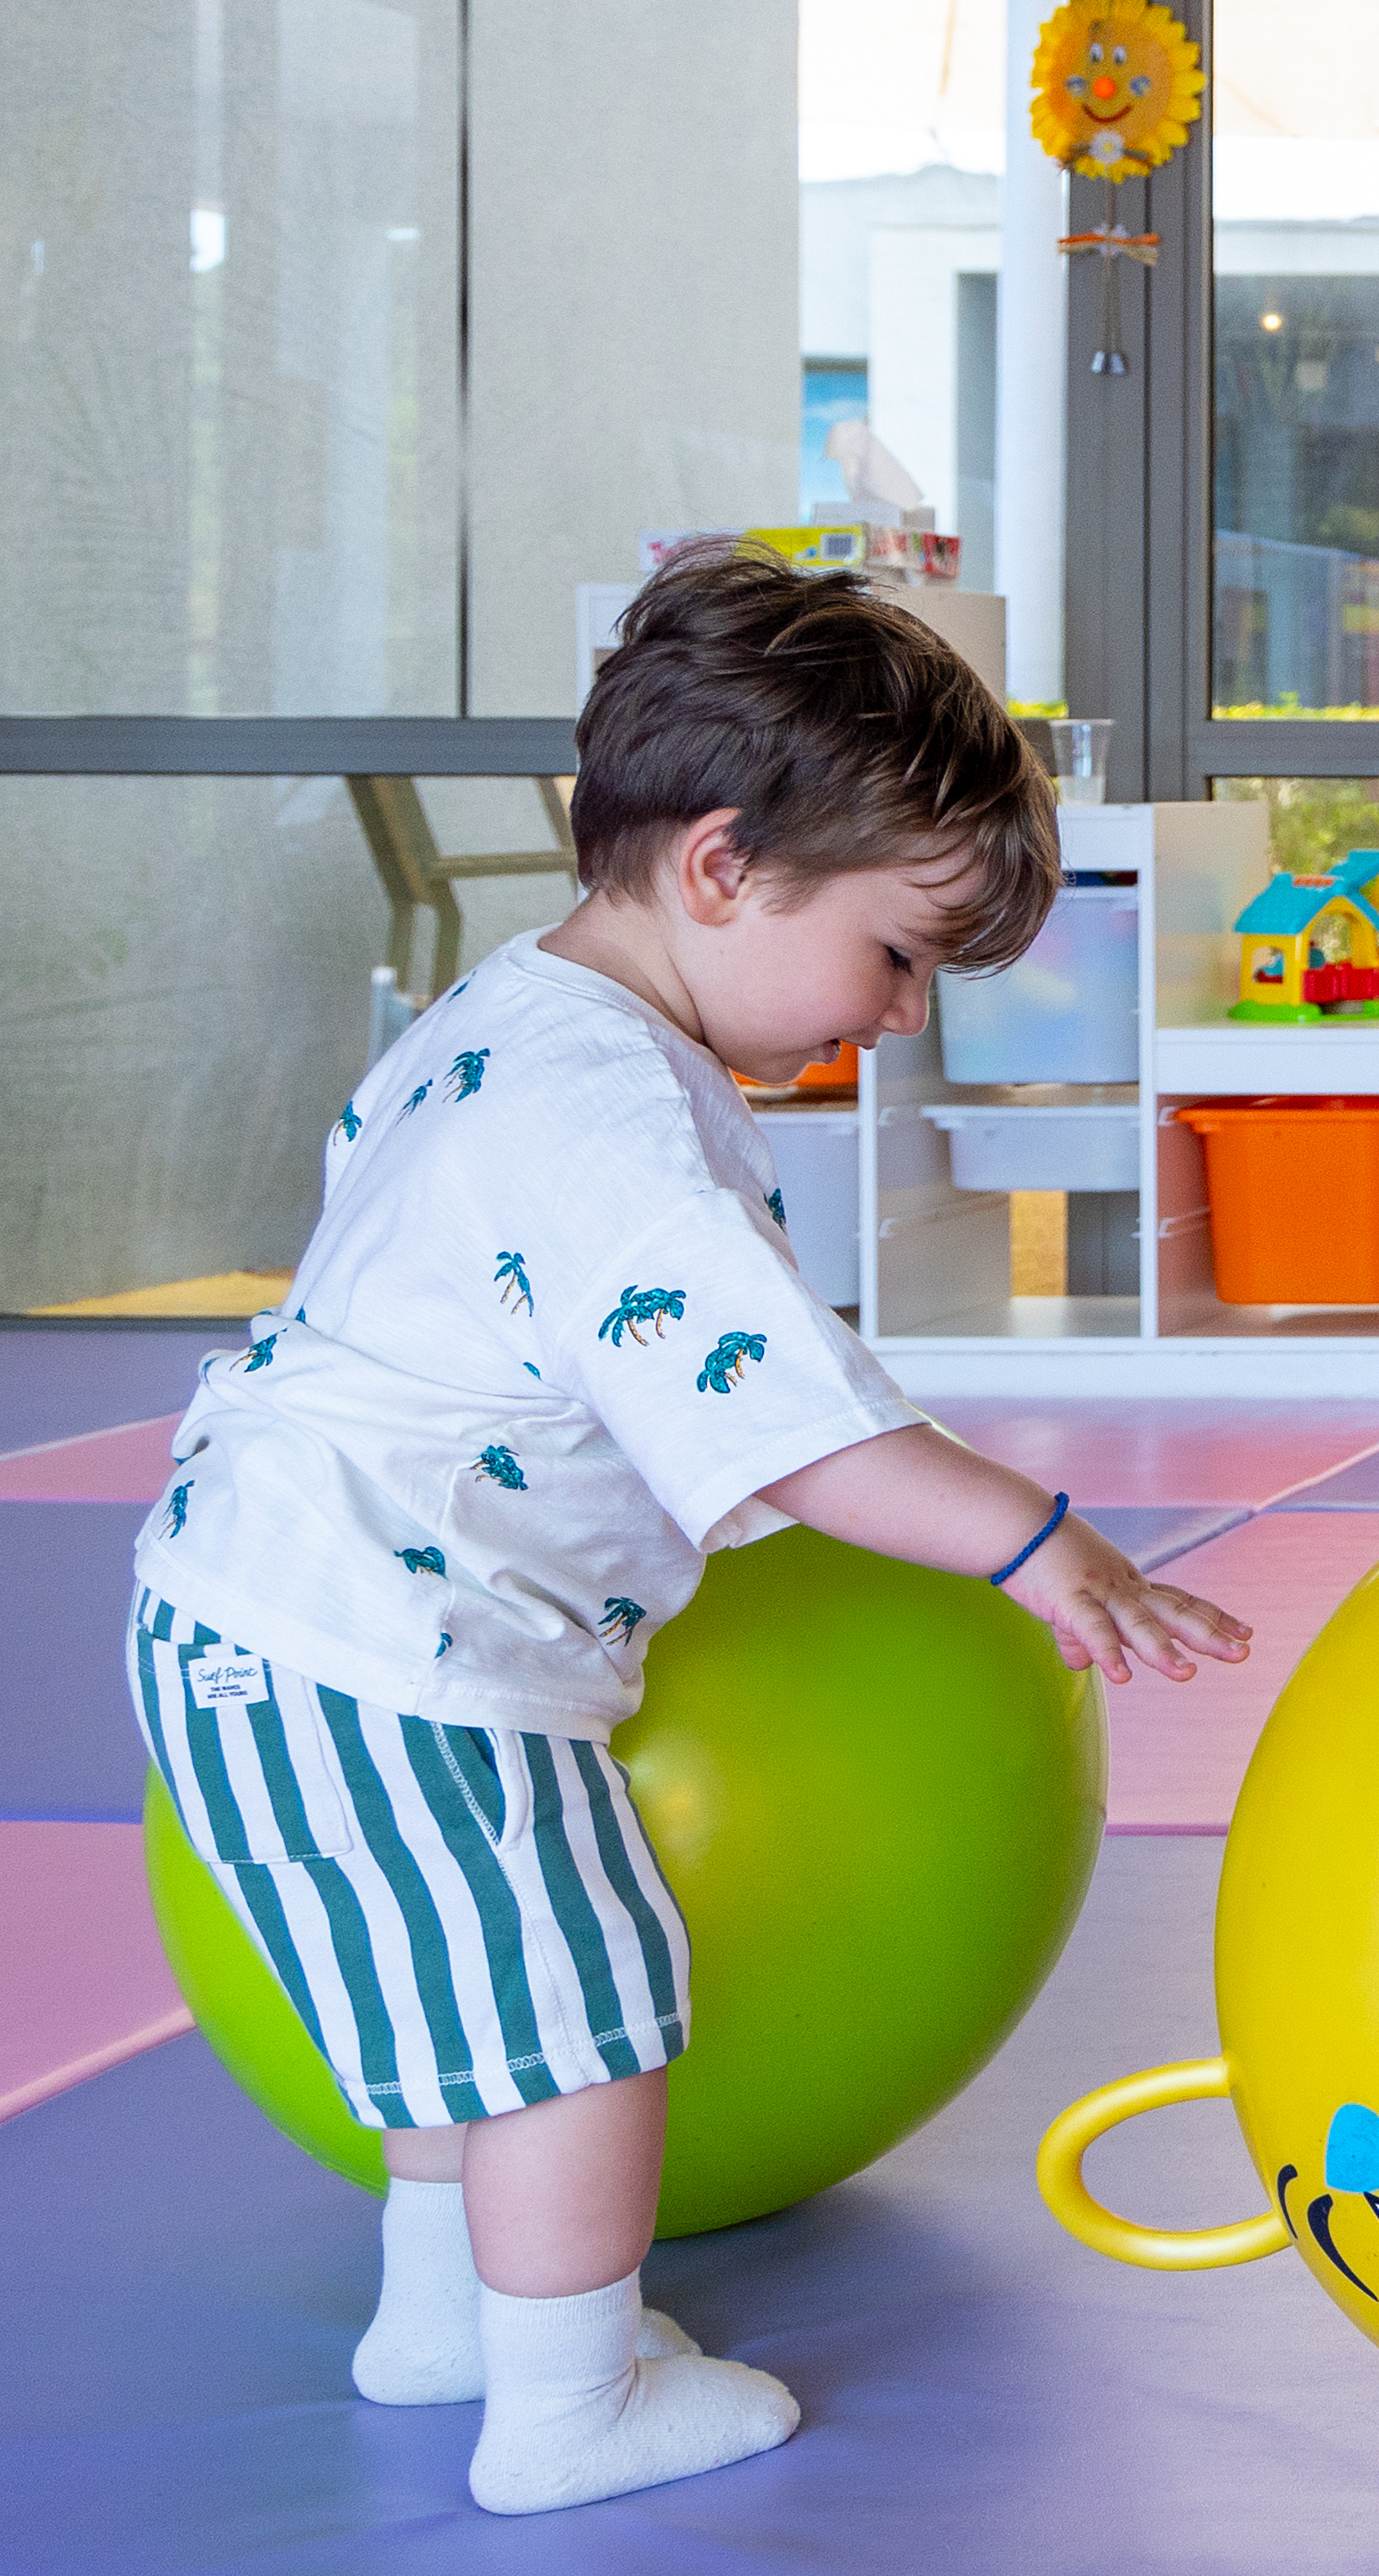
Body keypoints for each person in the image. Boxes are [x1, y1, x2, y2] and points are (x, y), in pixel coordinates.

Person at [125, 545, 1252, 2515]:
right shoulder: (622, 1130)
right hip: (396, 1654)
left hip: (258, 1607)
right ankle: (563, 2407)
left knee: (450, 1999)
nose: (900, 1014)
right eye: (896, 953)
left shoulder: (511, 1014)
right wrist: (1041, 1541)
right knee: (579, 2010)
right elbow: (811, 1440)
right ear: (723, 868)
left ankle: (445, 2314)